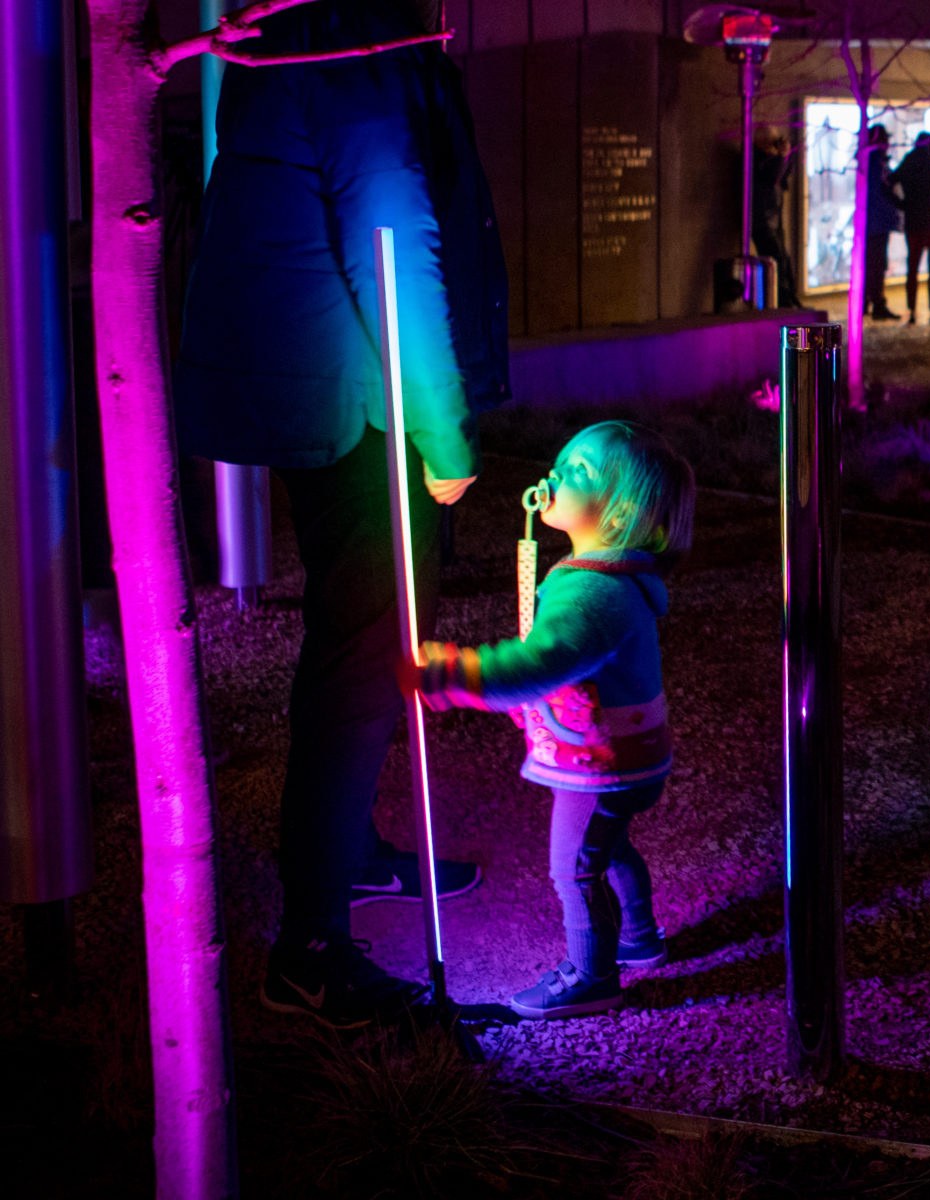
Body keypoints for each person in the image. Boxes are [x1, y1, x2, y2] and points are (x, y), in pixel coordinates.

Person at [175, 0, 504, 1028]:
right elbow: (394, 247)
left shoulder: (291, 39)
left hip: (320, 396)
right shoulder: (362, 54)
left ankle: (345, 854)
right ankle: (312, 946)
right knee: (366, 661)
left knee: (353, 649)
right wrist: (445, 440)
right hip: (368, 414)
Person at [406, 421, 693, 1020]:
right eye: (561, 459)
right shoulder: (607, 577)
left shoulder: (594, 595)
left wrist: (456, 674)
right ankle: (639, 936)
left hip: (602, 764)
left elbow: (542, 662)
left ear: (619, 513)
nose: (557, 472)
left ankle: (593, 975)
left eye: (581, 471)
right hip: (630, 756)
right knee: (610, 846)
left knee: (574, 867)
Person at [889, 130, 930, 325]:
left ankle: (912, 311)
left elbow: (889, 183)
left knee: (913, 269)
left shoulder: (908, 164)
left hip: (914, 222)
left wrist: (902, 204)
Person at [751, 127, 801, 308]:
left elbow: (784, 176)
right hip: (762, 220)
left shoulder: (770, 160)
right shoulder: (755, 160)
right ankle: (784, 302)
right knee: (776, 259)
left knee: (784, 260)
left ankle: (790, 299)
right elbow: (772, 177)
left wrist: (786, 156)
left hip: (773, 219)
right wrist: (781, 157)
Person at [863, 124, 902, 321]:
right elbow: (883, 190)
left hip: (870, 221)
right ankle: (877, 304)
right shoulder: (876, 161)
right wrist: (900, 205)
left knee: (870, 263)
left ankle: (867, 303)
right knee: (876, 263)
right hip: (877, 222)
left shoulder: (868, 159)